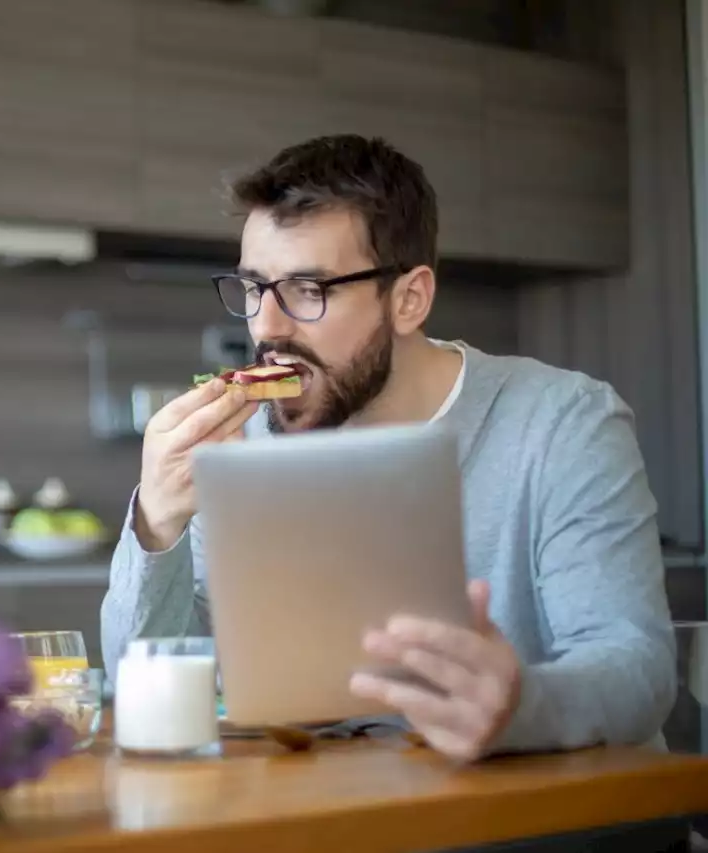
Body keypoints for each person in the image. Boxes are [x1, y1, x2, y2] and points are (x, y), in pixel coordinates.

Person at [101, 134, 676, 762]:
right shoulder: (244, 446)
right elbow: (146, 692)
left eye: (308, 290)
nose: (265, 327)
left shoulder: (563, 422)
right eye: (253, 289)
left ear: (409, 299)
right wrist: (157, 524)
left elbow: (637, 671)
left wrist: (521, 704)